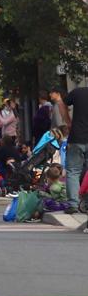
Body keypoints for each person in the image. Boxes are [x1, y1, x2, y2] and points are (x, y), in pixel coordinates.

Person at [64, 86, 88, 214]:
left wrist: (68, 121)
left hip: (77, 137)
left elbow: (63, 102)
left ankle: (73, 204)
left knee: (73, 171)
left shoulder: (78, 92)